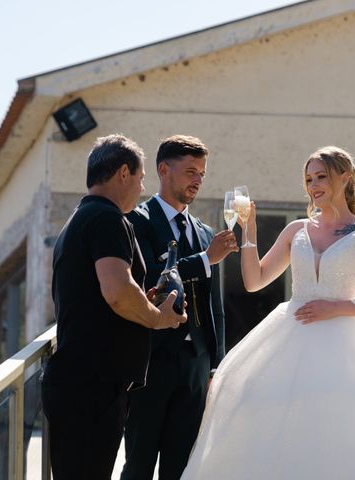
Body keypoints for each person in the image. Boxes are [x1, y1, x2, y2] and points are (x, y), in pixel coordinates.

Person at [181, 146, 355, 480]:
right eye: (309, 179)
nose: (313, 185)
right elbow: (254, 281)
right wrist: (249, 230)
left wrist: (338, 307)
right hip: (289, 338)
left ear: (345, 177)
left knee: (343, 428)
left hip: (348, 347)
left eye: (321, 176)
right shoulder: (296, 229)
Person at [41, 134, 187, 480]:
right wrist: (158, 318)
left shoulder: (84, 217)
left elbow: (106, 292)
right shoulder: (107, 219)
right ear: (124, 173)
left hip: (84, 384)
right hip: (91, 388)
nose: (141, 189)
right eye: (141, 179)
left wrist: (144, 301)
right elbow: (118, 292)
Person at [121, 135, 238, 480]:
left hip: (196, 366)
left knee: (183, 468)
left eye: (202, 173)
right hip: (150, 362)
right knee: (139, 464)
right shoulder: (136, 221)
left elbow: (214, 303)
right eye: (190, 171)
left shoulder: (204, 232)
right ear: (163, 170)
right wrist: (205, 259)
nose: (198, 180)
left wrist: (217, 363)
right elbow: (147, 280)